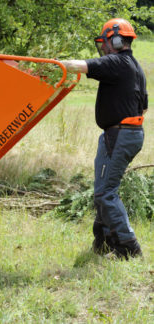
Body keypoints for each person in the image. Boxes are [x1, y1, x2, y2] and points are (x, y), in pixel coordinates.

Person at [61, 18, 148, 260]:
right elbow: (144, 107)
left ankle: (129, 247)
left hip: (120, 134)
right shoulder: (135, 67)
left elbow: (80, 66)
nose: (105, 47)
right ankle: (104, 242)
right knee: (102, 191)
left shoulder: (118, 62)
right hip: (121, 133)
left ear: (117, 40)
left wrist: (53, 65)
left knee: (106, 193)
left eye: (107, 42)